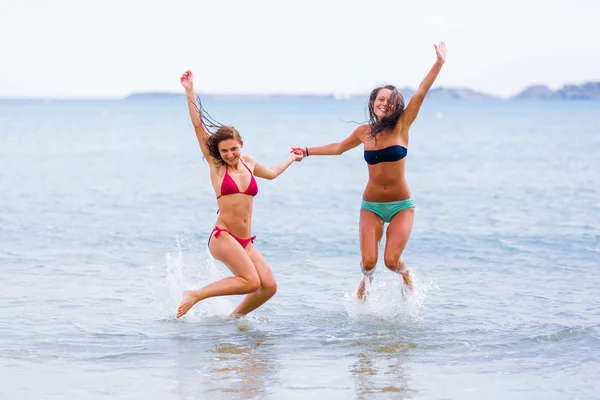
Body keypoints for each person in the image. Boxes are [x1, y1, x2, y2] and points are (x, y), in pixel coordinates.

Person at [292, 42, 447, 300]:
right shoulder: (364, 132)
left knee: (390, 261)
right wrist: (307, 151)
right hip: (371, 205)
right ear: (373, 102)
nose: (384, 103)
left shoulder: (403, 126)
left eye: (390, 100)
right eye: (380, 99)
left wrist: (439, 63)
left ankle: (405, 274)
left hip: (401, 206)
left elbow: (421, 91)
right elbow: (339, 147)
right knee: (367, 263)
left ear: (397, 106)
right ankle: (366, 283)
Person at [176, 70, 304, 318]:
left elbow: (273, 173)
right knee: (250, 282)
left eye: (233, 148)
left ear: (241, 145)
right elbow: (197, 127)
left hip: (245, 241)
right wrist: (190, 90)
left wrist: (292, 157)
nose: (230, 154)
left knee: (269, 287)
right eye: (224, 151)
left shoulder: (250, 163)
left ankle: (233, 320)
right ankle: (195, 294)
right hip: (223, 237)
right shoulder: (217, 167)